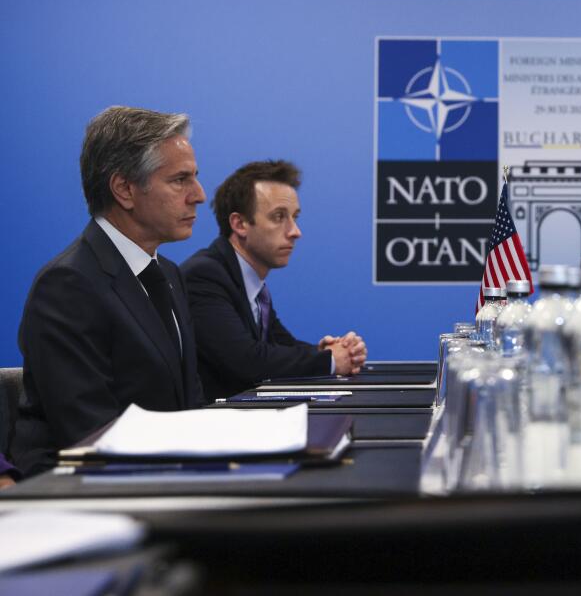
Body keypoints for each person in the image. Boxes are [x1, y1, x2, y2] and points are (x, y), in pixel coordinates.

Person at [11, 106, 208, 476]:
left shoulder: (168, 274)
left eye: (195, 177)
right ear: (124, 189)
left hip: (166, 477)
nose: (199, 195)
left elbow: (187, 405)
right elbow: (89, 433)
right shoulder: (68, 285)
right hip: (81, 496)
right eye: (180, 180)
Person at [182, 160, 367, 402]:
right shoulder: (205, 276)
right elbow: (246, 360)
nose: (295, 231)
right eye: (279, 217)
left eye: (295, 217)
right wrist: (330, 360)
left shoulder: (252, 285)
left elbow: (281, 347)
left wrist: (326, 351)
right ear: (240, 224)